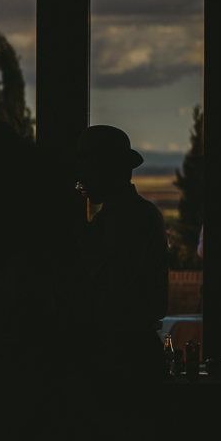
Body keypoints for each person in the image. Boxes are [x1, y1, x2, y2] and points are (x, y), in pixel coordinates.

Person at [76, 125, 169, 380]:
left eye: (90, 168)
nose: (82, 177)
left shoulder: (140, 218)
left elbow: (114, 288)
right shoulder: (114, 219)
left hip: (130, 360)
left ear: (114, 169)